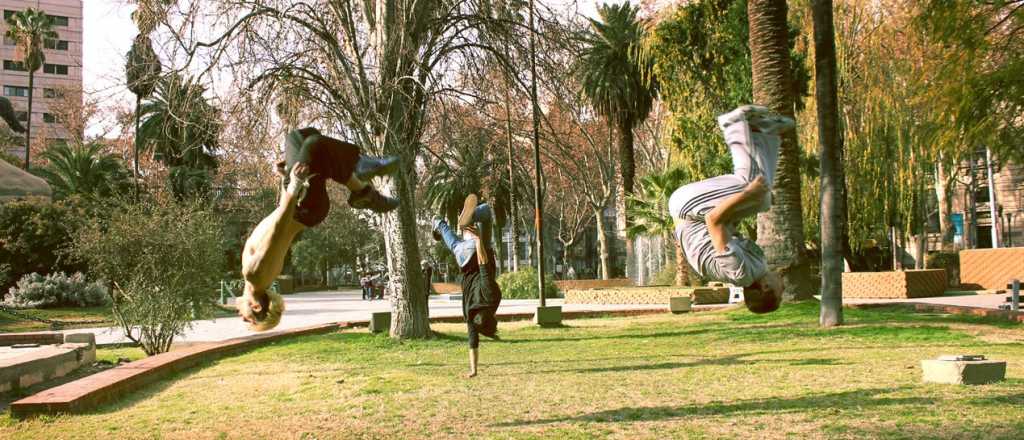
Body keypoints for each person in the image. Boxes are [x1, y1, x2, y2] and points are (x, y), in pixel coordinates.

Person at [239, 128, 400, 331]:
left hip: (299, 205)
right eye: (246, 318)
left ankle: (362, 191)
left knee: (300, 138)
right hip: (305, 207)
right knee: (315, 145)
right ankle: (360, 170)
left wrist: (285, 181)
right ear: (255, 305)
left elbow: (276, 223)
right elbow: (278, 229)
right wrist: (294, 185)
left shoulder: (258, 278)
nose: (240, 315)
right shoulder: (255, 274)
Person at [668, 105, 795, 314]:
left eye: (781, 292)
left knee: (751, 186)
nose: (784, 287)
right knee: (764, 199)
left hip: (688, 209)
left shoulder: (739, 270)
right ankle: (763, 131)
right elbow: (726, 224)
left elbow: (713, 220)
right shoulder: (752, 269)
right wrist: (754, 198)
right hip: (693, 211)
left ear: (765, 288)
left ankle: (734, 124)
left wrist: (748, 195)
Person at [432, 194, 501, 378]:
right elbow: (472, 342)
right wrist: (473, 371)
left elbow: (484, 264)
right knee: (449, 237)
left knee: (486, 211)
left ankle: (474, 215)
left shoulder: (491, 299)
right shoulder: (470, 315)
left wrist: (478, 241)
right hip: (461, 258)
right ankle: (437, 223)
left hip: (475, 252)